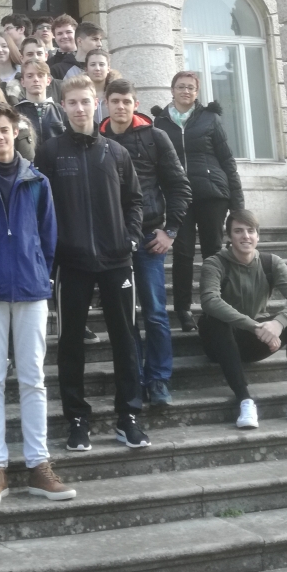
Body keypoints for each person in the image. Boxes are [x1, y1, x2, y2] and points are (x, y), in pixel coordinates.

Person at [0, 101, 75, 505]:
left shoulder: (37, 180)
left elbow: (49, 238)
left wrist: (37, 273)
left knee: (33, 378)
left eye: (5, 130)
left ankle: (39, 466)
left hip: (30, 290)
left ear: (16, 131)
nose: (0, 137)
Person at [36, 75, 146, 451]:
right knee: (70, 345)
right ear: (63, 106)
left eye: (86, 101)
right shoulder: (50, 152)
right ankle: (77, 420)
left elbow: (135, 201)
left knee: (126, 341)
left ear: (95, 103)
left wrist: (130, 238)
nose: (80, 108)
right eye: (73, 103)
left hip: (117, 261)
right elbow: (41, 207)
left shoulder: (116, 152)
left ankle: (128, 416)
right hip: (72, 263)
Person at [101, 79, 191, 407]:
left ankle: (159, 379)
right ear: (106, 103)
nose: (121, 107)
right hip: (113, 241)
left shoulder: (155, 137)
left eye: (126, 101)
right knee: (125, 316)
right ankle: (133, 380)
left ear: (134, 103)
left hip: (151, 237)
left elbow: (180, 185)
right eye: (115, 101)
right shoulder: (97, 139)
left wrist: (172, 231)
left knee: (154, 312)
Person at [199, 209, 287, 430]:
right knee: (213, 320)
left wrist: (278, 323)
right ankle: (244, 400)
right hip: (219, 342)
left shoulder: (271, 262)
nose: (245, 236)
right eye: (238, 231)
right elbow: (210, 300)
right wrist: (255, 326)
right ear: (229, 236)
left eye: (251, 231)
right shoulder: (215, 263)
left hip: (254, 341)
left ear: (258, 235)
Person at [153, 72, 245, 333]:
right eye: (181, 86)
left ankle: (214, 306)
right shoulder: (159, 122)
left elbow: (227, 160)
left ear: (197, 92)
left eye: (191, 88)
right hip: (178, 197)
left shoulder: (209, 118)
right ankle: (183, 309)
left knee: (213, 252)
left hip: (211, 194)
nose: (185, 91)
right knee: (182, 254)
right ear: (172, 90)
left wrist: (237, 205)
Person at [14, 58, 66, 145]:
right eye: (30, 76)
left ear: (48, 81)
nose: (36, 79)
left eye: (40, 75)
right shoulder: (15, 112)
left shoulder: (61, 110)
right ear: (22, 82)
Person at [86, 49, 112, 127]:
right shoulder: (78, 94)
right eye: (93, 64)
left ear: (108, 69)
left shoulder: (116, 94)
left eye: (101, 64)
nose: (97, 68)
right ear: (86, 69)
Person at [48, 14, 78, 79]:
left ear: (77, 34)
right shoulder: (49, 64)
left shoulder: (87, 59)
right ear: (54, 37)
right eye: (59, 34)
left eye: (68, 32)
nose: (64, 36)